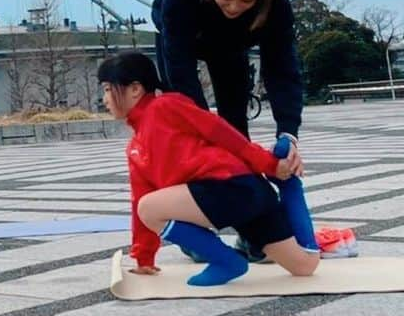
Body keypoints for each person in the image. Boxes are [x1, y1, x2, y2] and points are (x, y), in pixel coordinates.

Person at [99, 51, 319, 287]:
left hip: (231, 187)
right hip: (240, 195)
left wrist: (269, 164)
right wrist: (144, 257)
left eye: (108, 89)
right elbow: (139, 197)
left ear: (135, 88)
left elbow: (222, 133)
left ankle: (227, 261)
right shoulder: (135, 148)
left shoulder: (165, 106)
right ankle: (290, 187)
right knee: (305, 265)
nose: (105, 99)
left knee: (149, 208)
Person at [151, 0, 306, 243]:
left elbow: (282, 70)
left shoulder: (275, 4)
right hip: (181, 38)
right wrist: (202, 129)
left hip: (232, 47)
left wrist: (288, 132)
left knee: (236, 134)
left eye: (246, 0)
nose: (235, 6)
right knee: (188, 142)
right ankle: (194, 232)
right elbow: (180, 68)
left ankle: (255, 230)